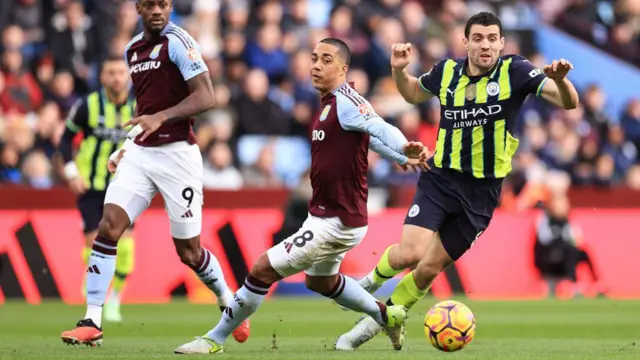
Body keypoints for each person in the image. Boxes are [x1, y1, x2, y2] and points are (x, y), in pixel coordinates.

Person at [335, 12, 580, 350]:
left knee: (429, 268)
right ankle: (365, 285)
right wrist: (398, 71)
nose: (486, 45)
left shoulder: (517, 70)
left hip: (482, 194)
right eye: (478, 38)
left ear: (502, 43)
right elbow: (412, 95)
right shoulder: (446, 71)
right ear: (465, 41)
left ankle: (379, 321)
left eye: (493, 38)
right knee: (411, 253)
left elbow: (568, 102)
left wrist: (564, 80)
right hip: (441, 179)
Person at [173, 38, 428, 355]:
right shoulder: (327, 103)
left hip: (336, 221)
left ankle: (214, 338)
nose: (317, 65)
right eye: (314, 58)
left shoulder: (347, 101)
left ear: (343, 69)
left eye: (326, 60)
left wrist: (403, 147)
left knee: (262, 269)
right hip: (328, 215)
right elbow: (368, 139)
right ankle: (386, 316)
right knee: (320, 282)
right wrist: (398, 157)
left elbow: (379, 126)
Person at [60, 0, 249, 346]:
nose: (158, 11)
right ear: (138, 9)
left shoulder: (180, 42)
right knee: (108, 228)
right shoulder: (133, 48)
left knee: (189, 253)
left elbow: (207, 96)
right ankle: (92, 320)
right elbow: (145, 110)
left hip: (178, 156)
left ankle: (228, 303)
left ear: (171, 7)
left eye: (163, 4)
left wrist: (162, 117)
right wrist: (126, 146)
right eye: (150, 5)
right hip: (142, 154)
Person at [58, 56, 136, 323]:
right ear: (102, 77)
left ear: (128, 76)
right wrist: (70, 172)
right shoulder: (87, 105)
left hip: (125, 185)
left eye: (120, 72)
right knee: (94, 243)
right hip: (91, 186)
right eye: (110, 72)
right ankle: (97, 296)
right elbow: (65, 139)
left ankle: (115, 300)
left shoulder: (140, 107)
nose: (116, 77)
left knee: (124, 245)